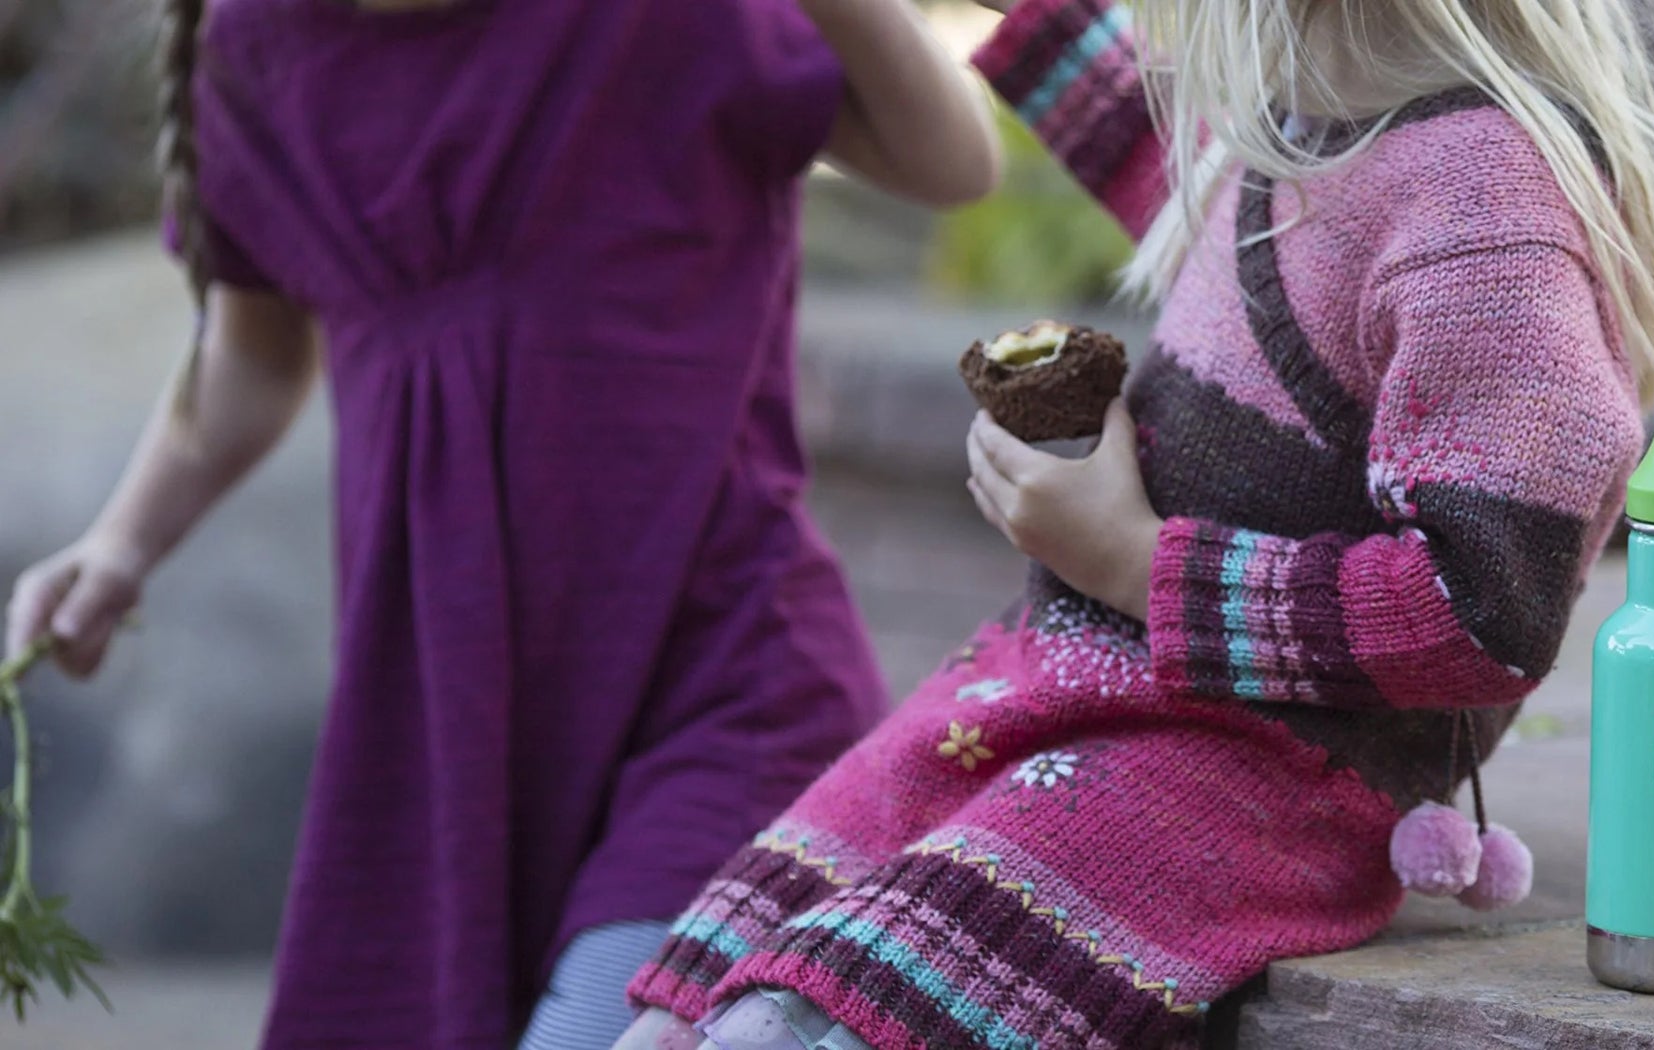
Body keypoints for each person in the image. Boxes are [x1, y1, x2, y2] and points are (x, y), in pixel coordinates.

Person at [616, 0, 1654, 1045]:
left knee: (813, 1019)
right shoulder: (1304, 118)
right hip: (1074, 691)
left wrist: (1129, 558)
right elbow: (1172, 169)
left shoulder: (1479, 213)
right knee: (712, 975)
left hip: (1264, 767)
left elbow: (1484, 611)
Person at [2, 0, 999, 1045]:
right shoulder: (255, 49)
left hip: (723, 686)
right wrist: (119, 545)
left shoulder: (656, 22)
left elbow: (953, 165)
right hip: (444, 739)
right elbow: (254, 355)